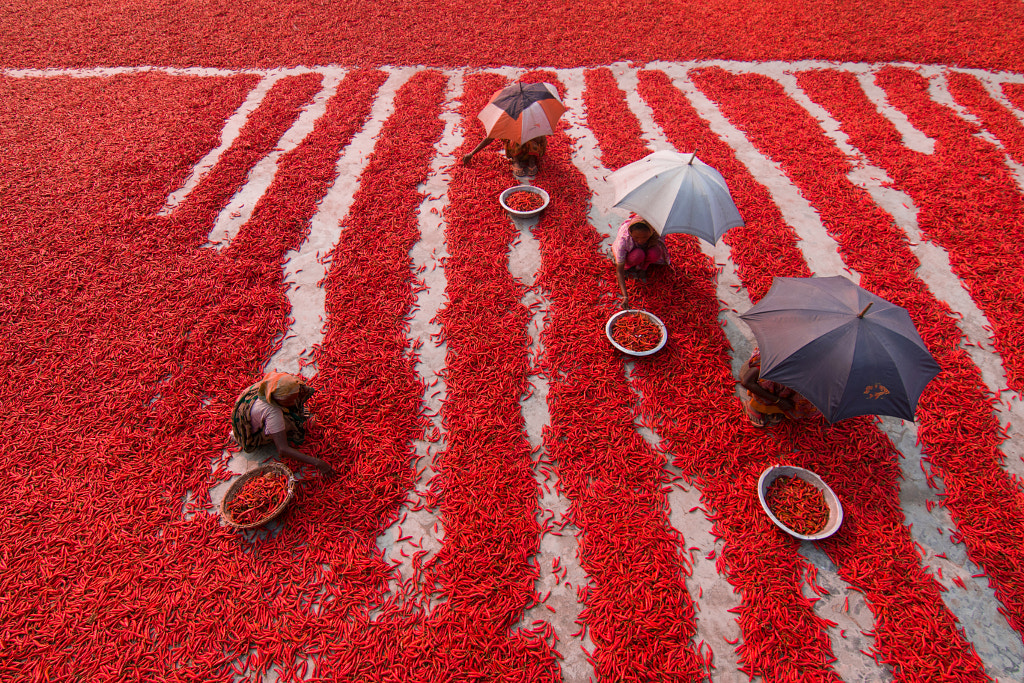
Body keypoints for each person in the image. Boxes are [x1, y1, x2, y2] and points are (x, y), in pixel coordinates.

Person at [231, 371, 335, 476]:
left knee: (299, 389)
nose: (294, 401)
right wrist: (317, 462)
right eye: (289, 400)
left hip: (250, 410)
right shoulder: (273, 411)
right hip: (251, 431)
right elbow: (282, 449)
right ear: (277, 400)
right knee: (288, 423)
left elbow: (295, 387)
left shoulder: (271, 385)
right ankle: (268, 432)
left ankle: (278, 418)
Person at [738, 349, 817, 427]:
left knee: (807, 389)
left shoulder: (808, 364)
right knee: (767, 381)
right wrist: (778, 401)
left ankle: (775, 408)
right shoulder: (771, 360)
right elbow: (746, 382)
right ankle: (755, 405)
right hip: (768, 372)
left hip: (789, 370)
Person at [612, 215, 669, 308]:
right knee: (638, 255)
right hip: (631, 255)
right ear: (630, 232)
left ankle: (643, 267)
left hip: (646, 247)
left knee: (656, 252)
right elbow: (619, 271)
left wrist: (654, 241)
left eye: (645, 237)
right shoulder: (623, 240)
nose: (641, 240)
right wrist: (625, 296)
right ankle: (633, 265)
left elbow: (659, 243)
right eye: (636, 237)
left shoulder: (656, 232)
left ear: (651, 232)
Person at [462, 135, 547, 177]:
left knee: (533, 139)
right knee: (515, 139)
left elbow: (543, 141)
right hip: (515, 152)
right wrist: (472, 153)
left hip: (529, 153)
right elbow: (490, 138)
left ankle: (532, 162)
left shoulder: (534, 120)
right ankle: (516, 162)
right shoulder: (508, 120)